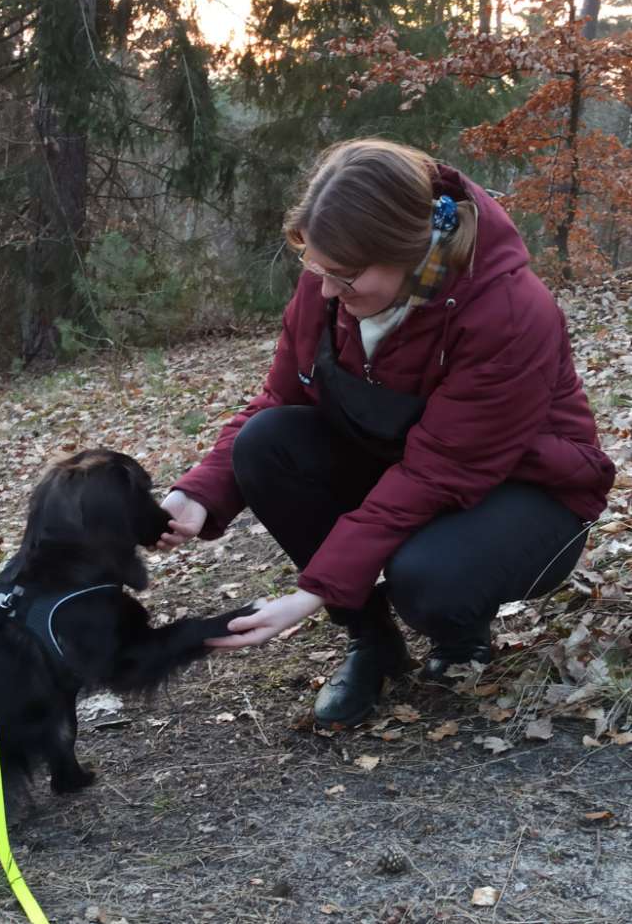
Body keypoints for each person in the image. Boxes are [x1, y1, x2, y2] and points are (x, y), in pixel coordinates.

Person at [156, 138, 615, 728]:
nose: (324, 290)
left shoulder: (506, 310)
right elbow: (281, 396)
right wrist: (196, 493)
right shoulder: (332, 283)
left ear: (407, 251)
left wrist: (312, 590)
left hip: (529, 491)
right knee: (265, 443)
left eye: (341, 276)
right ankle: (372, 644)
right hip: (411, 461)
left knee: (427, 579)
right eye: (314, 268)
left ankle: (460, 632)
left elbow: (439, 469)